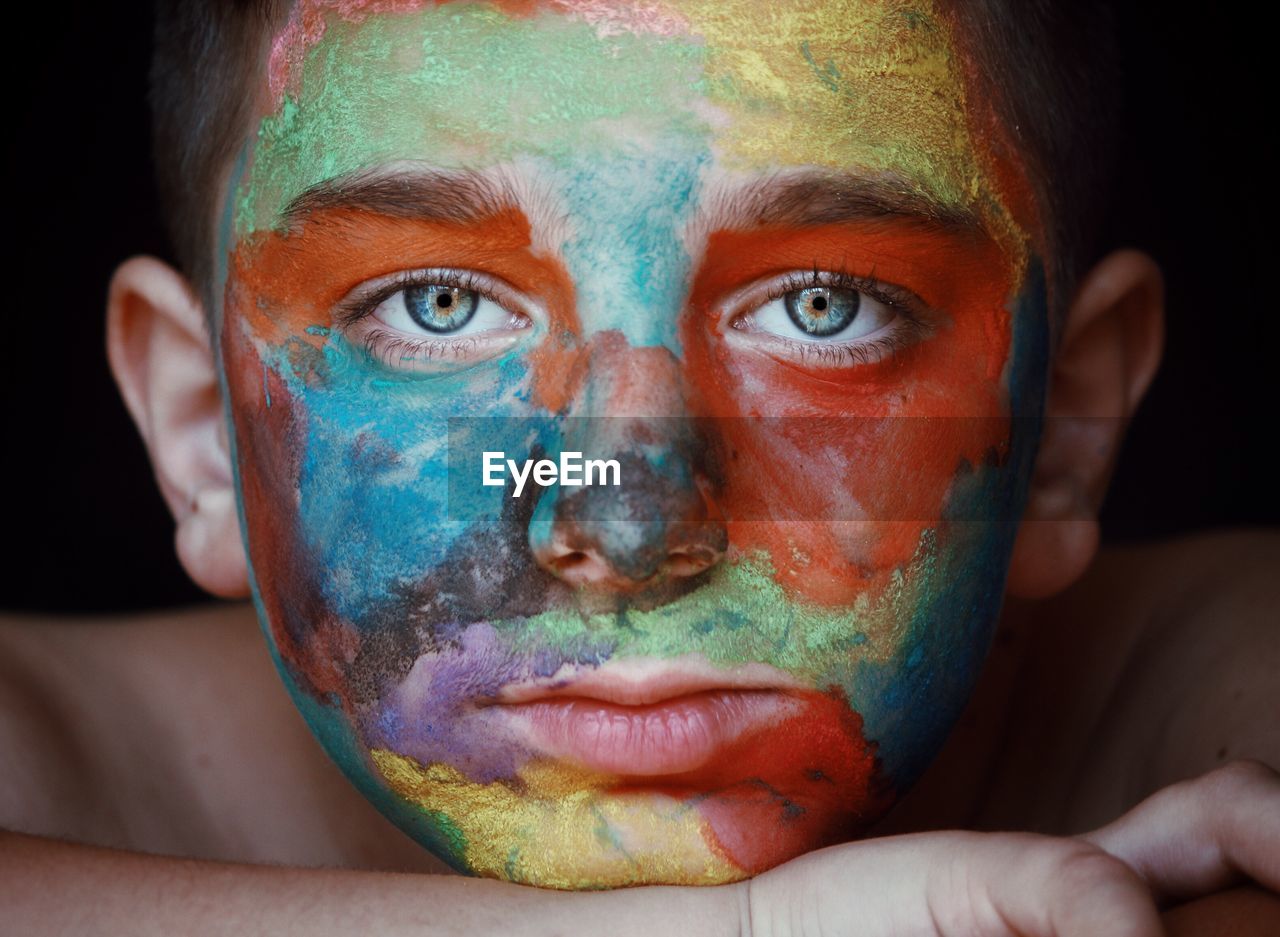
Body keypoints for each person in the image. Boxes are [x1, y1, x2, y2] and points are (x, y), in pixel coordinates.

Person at [2, 0, 1278, 933]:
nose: (625, 525)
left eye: (823, 308)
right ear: (195, 427)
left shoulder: (1226, 687)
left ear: (1060, 425)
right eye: (438, 306)